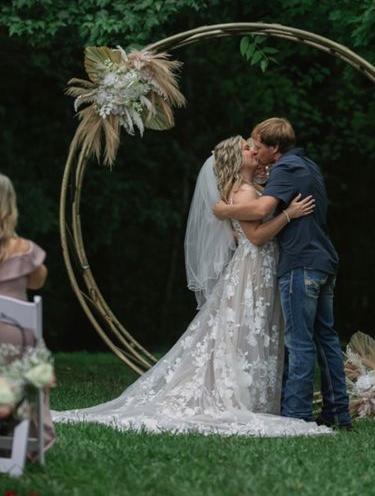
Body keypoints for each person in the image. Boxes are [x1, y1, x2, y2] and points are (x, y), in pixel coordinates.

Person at [52, 136, 332, 437]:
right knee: (250, 329)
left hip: (257, 268)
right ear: (235, 160)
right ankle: (248, 398)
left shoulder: (249, 190)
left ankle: (259, 397)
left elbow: (241, 233)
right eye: (246, 149)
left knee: (255, 330)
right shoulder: (244, 190)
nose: (253, 151)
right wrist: (289, 215)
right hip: (253, 271)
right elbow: (256, 237)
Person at [213, 119, 352, 430]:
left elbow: (261, 211)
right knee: (326, 339)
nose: (254, 151)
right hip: (322, 261)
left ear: (275, 148)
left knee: (299, 342)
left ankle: (296, 416)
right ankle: (338, 415)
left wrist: (225, 211)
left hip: (302, 264)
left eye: (258, 146)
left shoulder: (285, 169)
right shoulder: (306, 164)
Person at [0, 173, 56, 453]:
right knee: (34, 354)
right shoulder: (26, 250)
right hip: (14, 341)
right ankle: (25, 438)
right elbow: (36, 282)